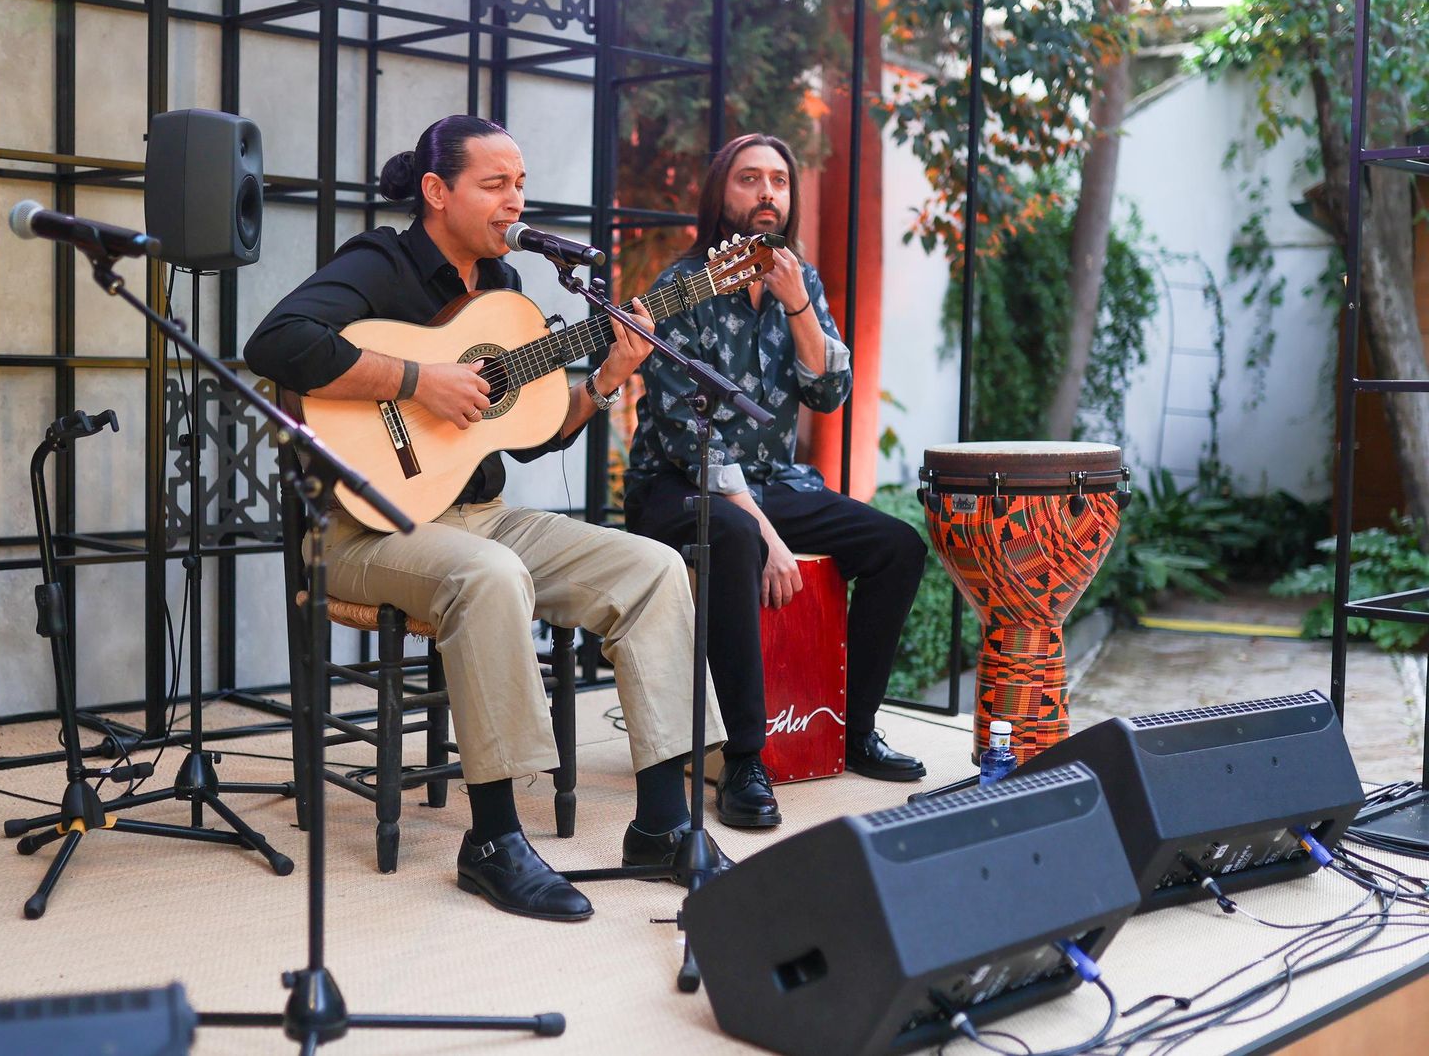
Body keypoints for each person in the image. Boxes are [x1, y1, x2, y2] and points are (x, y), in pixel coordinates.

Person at [244, 115, 726, 922]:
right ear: (437, 192)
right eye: (496, 185)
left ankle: (663, 824)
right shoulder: (379, 262)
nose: (516, 203)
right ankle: (495, 840)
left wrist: (607, 377)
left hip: (483, 514)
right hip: (363, 530)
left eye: (522, 186)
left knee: (652, 567)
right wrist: (413, 380)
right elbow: (277, 342)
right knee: (491, 576)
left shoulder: (505, 295)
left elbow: (530, 435)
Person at [623, 133, 928, 830]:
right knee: (734, 533)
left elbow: (828, 393)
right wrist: (768, 536)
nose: (767, 194)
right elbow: (686, 438)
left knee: (897, 546)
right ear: (720, 195)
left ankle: (853, 730)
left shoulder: (803, 281)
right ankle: (746, 759)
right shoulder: (679, 290)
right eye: (750, 180)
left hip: (773, 477)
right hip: (676, 484)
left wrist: (796, 306)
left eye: (779, 182)